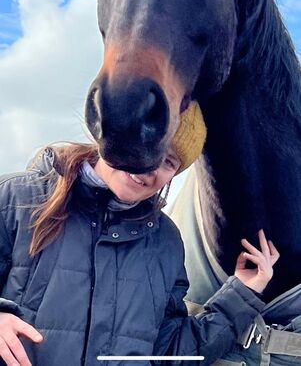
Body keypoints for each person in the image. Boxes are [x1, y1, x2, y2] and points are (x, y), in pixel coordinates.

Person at [0, 102, 279, 366]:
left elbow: (169, 354)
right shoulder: (16, 199)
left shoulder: (165, 242)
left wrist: (242, 294)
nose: (151, 168)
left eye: (169, 162)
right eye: (147, 143)